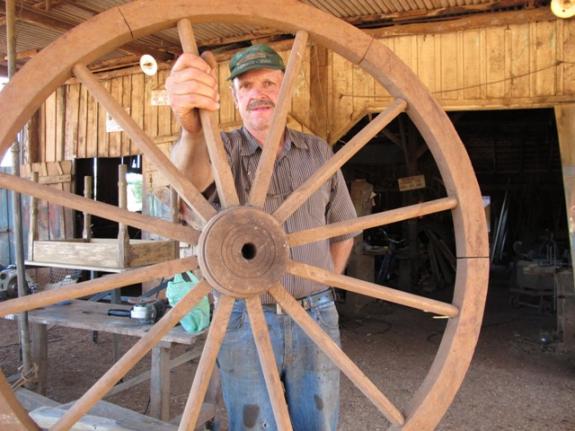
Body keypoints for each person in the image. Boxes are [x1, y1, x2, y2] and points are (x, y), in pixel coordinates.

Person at [166, 44, 357, 431]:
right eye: (247, 85)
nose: (259, 93)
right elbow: (187, 190)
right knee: (254, 424)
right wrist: (191, 130)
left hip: (314, 312)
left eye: (269, 82)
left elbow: (343, 229)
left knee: (317, 422)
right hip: (241, 316)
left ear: (287, 89)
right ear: (235, 97)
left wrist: (319, 288)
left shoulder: (318, 152)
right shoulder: (219, 151)